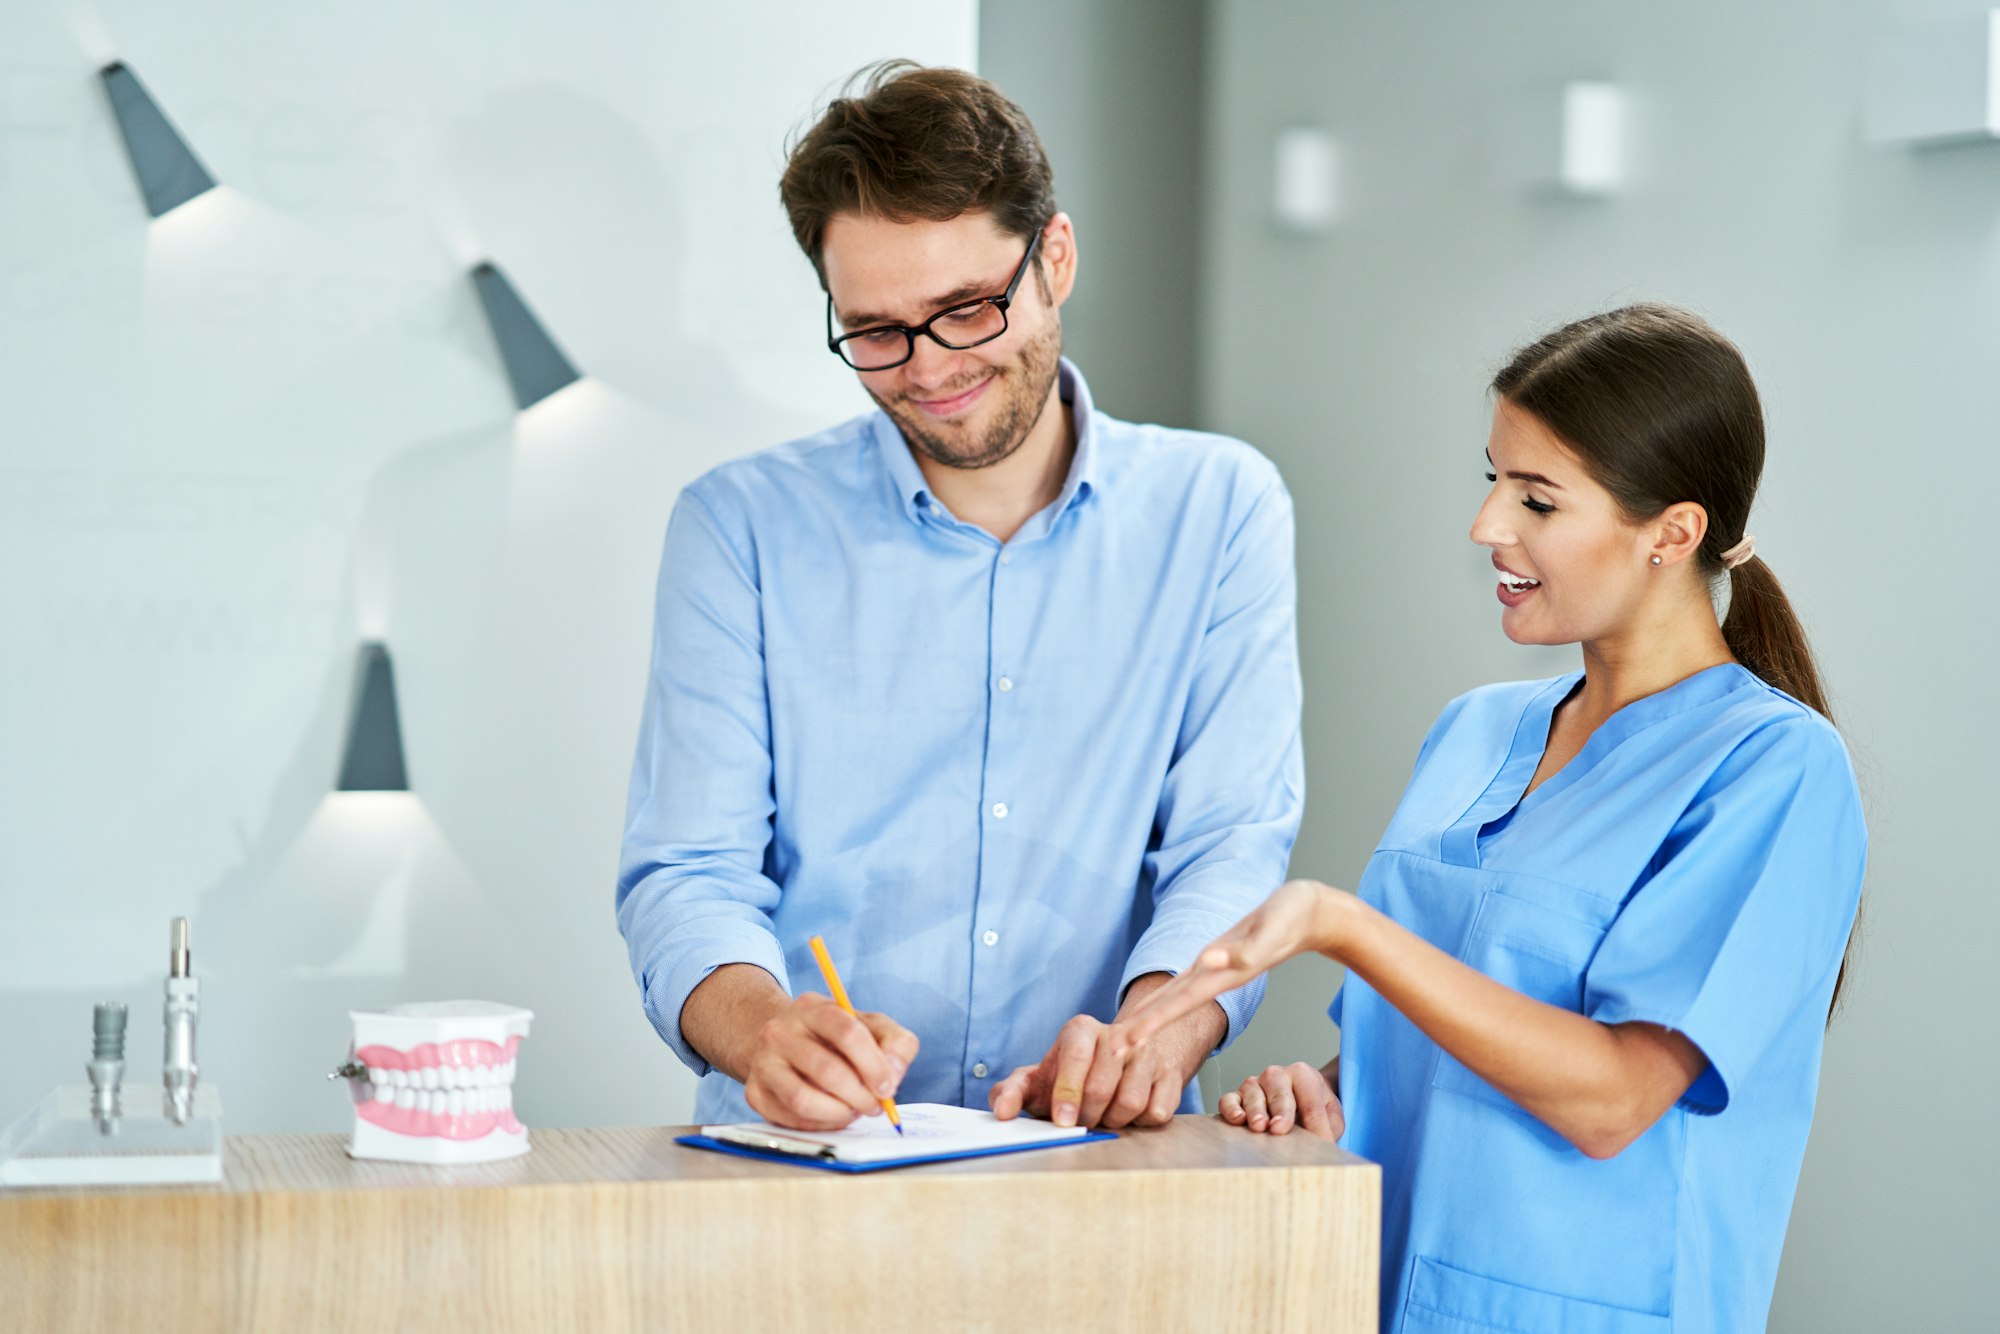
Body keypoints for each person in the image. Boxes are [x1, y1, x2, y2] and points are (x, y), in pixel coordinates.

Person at [1110, 304, 1865, 1333]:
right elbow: (1434, 1042)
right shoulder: (1474, 731)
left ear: (1671, 533)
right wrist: (1323, 1088)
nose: (1485, 527)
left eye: (1537, 499)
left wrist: (1344, 925)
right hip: (1367, 1295)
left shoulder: (1773, 770)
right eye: (1491, 480)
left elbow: (1611, 1098)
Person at [616, 62, 1303, 1133]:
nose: (927, 368)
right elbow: (687, 870)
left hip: (1097, 1152)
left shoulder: (1218, 508)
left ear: (1054, 259)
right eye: (876, 331)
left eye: (966, 311)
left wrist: (1152, 1033)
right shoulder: (737, 526)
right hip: (808, 1161)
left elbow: (1229, 846)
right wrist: (761, 1029)